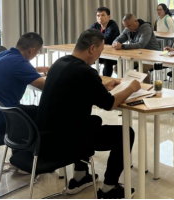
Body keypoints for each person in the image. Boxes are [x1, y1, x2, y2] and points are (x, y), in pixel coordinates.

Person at [36, 30, 140, 199]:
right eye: (100, 51)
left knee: (92, 120)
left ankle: (80, 177)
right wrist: (131, 88)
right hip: (65, 141)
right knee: (125, 133)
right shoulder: (86, 72)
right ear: (92, 48)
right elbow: (109, 104)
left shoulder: (59, 63)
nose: (98, 56)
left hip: (45, 137)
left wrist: (102, 87)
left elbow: (75, 90)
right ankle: (109, 188)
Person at [0, 33, 47, 140]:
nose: (36, 55)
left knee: (33, 111)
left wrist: (37, 69)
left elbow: (13, 69)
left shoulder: (2, 55)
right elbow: (46, 87)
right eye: (37, 52)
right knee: (46, 114)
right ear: (32, 50)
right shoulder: (19, 63)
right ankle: (31, 148)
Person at [90, 7, 121, 77]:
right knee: (84, 57)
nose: (100, 18)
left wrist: (93, 39)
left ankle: (106, 80)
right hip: (98, 51)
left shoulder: (113, 26)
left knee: (108, 61)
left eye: (103, 15)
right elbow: (87, 36)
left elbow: (106, 39)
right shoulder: (95, 25)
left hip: (112, 54)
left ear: (108, 17)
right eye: (98, 15)